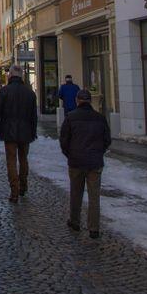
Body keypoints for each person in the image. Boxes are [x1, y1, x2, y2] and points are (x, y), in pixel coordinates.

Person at [60, 87, 111, 239]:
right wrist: (98, 152)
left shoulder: (70, 117)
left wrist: (70, 154)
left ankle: (75, 221)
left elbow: (64, 140)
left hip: (76, 161)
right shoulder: (100, 118)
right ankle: (94, 228)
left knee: (76, 192)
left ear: (77, 101)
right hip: (94, 162)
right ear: (90, 101)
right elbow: (107, 140)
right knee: (94, 196)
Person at [0, 63, 38, 202]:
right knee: (23, 159)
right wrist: (33, 131)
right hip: (26, 132)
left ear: (10, 75)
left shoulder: (4, 91)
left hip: (9, 131)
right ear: (22, 76)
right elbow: (33, 116)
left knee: (11, 161)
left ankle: (14, 191)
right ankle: (23, 186)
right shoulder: (30, 93)